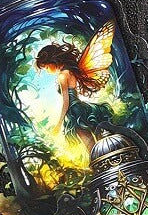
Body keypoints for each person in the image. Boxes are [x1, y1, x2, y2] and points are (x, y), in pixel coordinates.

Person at [34, 19, 116, 154]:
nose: (47, 71)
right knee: (97, 139)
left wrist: (59, 124)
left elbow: (66, 102)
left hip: (74, 111)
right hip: (81, 108)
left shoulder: (62, 76)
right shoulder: (70, 71)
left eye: (46, 67)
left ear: (52, 61)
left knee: (89, 144)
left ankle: (99, 161)